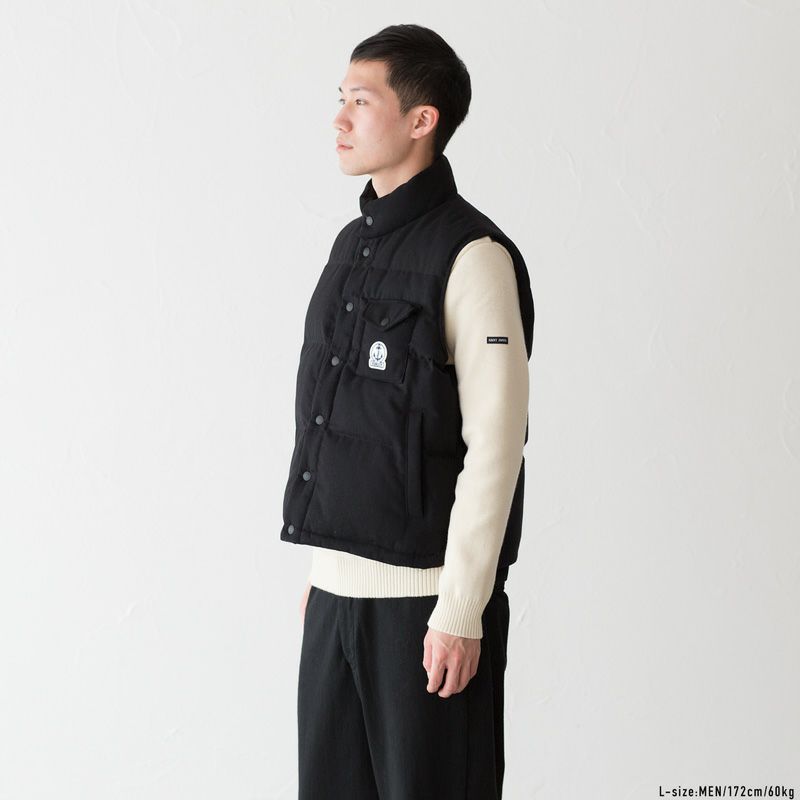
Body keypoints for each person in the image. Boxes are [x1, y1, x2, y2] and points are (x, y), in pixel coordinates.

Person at [280, 23, 535, 800]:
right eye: (340, 99)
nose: (340, 118)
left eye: (361, 101)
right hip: (335, 604)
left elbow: (497, 443)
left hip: (423, 613)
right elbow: (337, 420)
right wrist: (326, 576)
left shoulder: (474, 256)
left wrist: (460, 608)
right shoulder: (348, 247)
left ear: (422, 119)